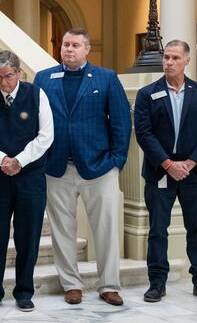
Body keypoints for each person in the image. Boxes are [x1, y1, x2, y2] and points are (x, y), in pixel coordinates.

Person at [33, 28, 131, 306]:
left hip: (99, 166)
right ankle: (71, 284)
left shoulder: (106, 78)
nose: (68, 49)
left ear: (87, 49)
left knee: (106, 228)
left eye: (75, 45)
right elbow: (35, 123)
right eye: (65, 44)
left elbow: (122, 123)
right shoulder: (44, 78)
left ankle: (109, 285)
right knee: (62, 229)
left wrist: (116, 162)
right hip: (57, 167)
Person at [134, 40, 197, 303]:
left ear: (187, 61)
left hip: (194, 174)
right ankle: (157, 283)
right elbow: (144, 133)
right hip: (159, 172)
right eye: (166, 57)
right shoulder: (147, 93)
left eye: (175, 58)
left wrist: (190, 163)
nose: (169, 62)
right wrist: (168, 164)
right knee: (157, 230)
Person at [0, 50, 53, 312]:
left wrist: (19, 160)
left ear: (18, 72)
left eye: (8, 76)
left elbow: (45, 136)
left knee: (27, 236)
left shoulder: (36, 94)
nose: (3, 83)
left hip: (29, 178)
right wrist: (2, 160)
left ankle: (24, 291)